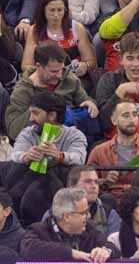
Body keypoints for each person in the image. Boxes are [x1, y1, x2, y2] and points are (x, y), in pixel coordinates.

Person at [6, 91, 90, 220]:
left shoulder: (74, 135)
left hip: (59, 187)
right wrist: (26, 156)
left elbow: (79, 158)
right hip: (28, 183)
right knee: (16, 168)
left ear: (52, 115)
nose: (31, 119)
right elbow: (14, 154)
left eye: (36, 113)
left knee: (59, 171)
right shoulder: (28, 133)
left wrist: (59, 156)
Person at [7, 39, 97, 139]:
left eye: (61, 69)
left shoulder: (69, 79)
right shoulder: (23, 91)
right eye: (54, 71)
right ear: (38, 66)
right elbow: (13, 130)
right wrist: (38, 109)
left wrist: (90, 103)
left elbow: (85, 100)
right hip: (37, 142)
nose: (59, 75)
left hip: (72, 138)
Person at [20, 185, 115, 262]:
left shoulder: (89, 228)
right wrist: (71, 253)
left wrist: (105, 251)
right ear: (67, 216)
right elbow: (29, 250)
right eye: (83, 213)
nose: (89, 216)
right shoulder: (38, 230)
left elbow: (112, 247)